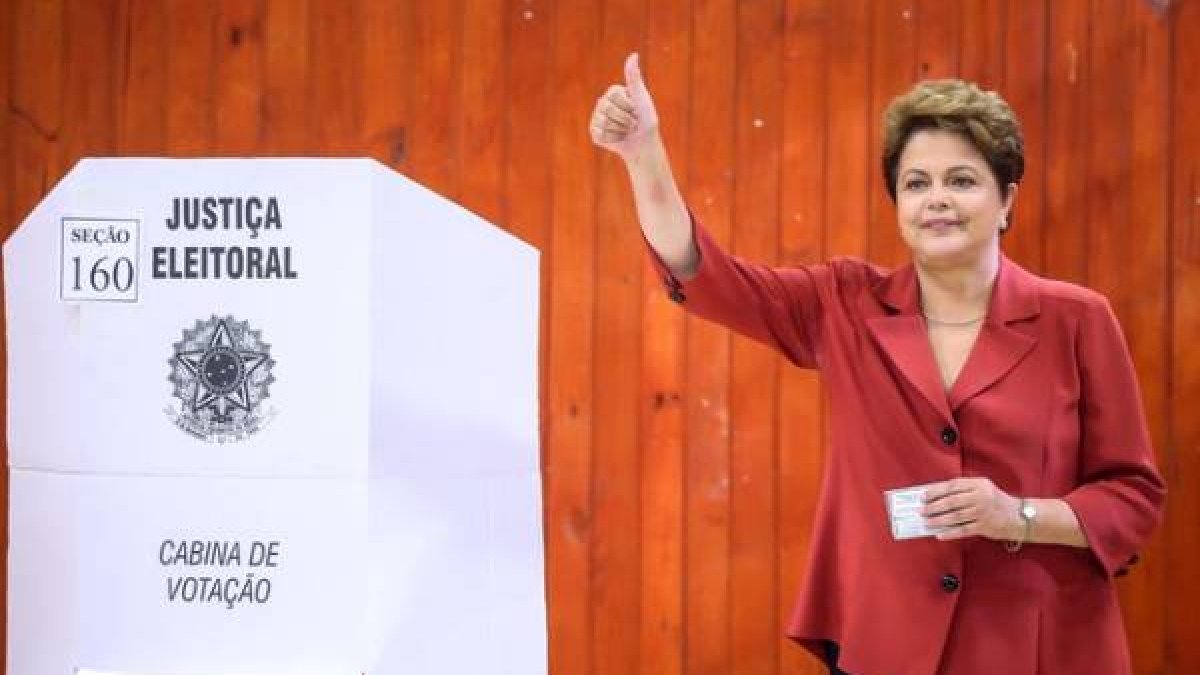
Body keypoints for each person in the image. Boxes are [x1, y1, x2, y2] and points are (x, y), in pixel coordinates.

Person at [588, 53, 1166, 675]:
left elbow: (1133, 497)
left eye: (962, 181)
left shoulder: (1077, 318)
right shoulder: (844, 303)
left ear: (1006, 200)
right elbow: (710, 278)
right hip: (887, 645)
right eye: (917, 183)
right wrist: (644, 152)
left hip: (1038, 648)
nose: (937, 200)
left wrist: (1017, 515)